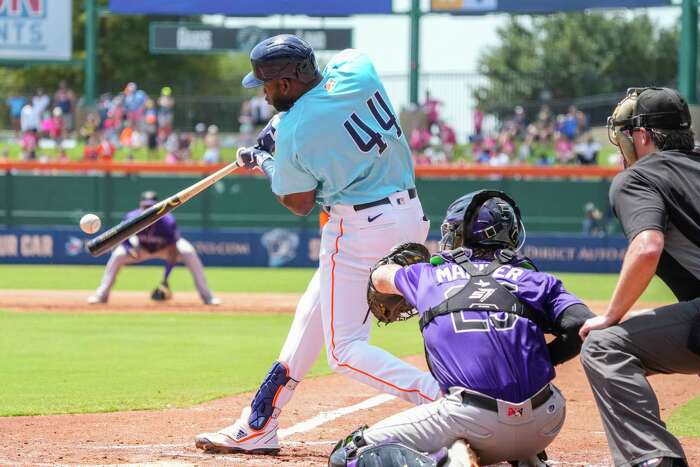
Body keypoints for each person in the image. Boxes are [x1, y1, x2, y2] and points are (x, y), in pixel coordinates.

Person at [195, 34, 440, 455]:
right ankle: (259, 423)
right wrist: (277, 133)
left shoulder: (295, 128)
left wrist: (264, 159)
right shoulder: (357, 67)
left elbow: (298, 202)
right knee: (311, 314)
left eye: (268, 86)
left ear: (287, 83)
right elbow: (329, 98)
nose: (265, 94)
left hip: (360, 227)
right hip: (410, 216)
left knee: (344, 350)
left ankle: (441, 400)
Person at [329, 190, 595, 467]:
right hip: (546, 422)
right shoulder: (535, 280)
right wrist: (542, 358)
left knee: (347, 456)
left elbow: (381, 278)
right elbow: (580, 325)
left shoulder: (426, 276)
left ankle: (445, 462)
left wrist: (389, 265)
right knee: (513, 410)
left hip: (472, 419)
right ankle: (526, 456)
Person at [579, 87, 700, 467]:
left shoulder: (639, 177)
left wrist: (611, 314)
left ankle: (653, 459)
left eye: (628, 135)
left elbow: (647, 247)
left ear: (643, 136)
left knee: (603, 346)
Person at [88, 191, 221, 306]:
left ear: (159, 207)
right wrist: (129, 250)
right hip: (141, 248)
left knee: (188, 252)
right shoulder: (132, 217)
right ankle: (101, 295)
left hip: (164, 249)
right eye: (145, 206)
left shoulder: (167, 221)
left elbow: (173, 250)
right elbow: (123, 238)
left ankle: (207, 296)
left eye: (151, 206)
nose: (148, 209)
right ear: (140, 206)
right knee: (118, 255)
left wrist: (165, 279)